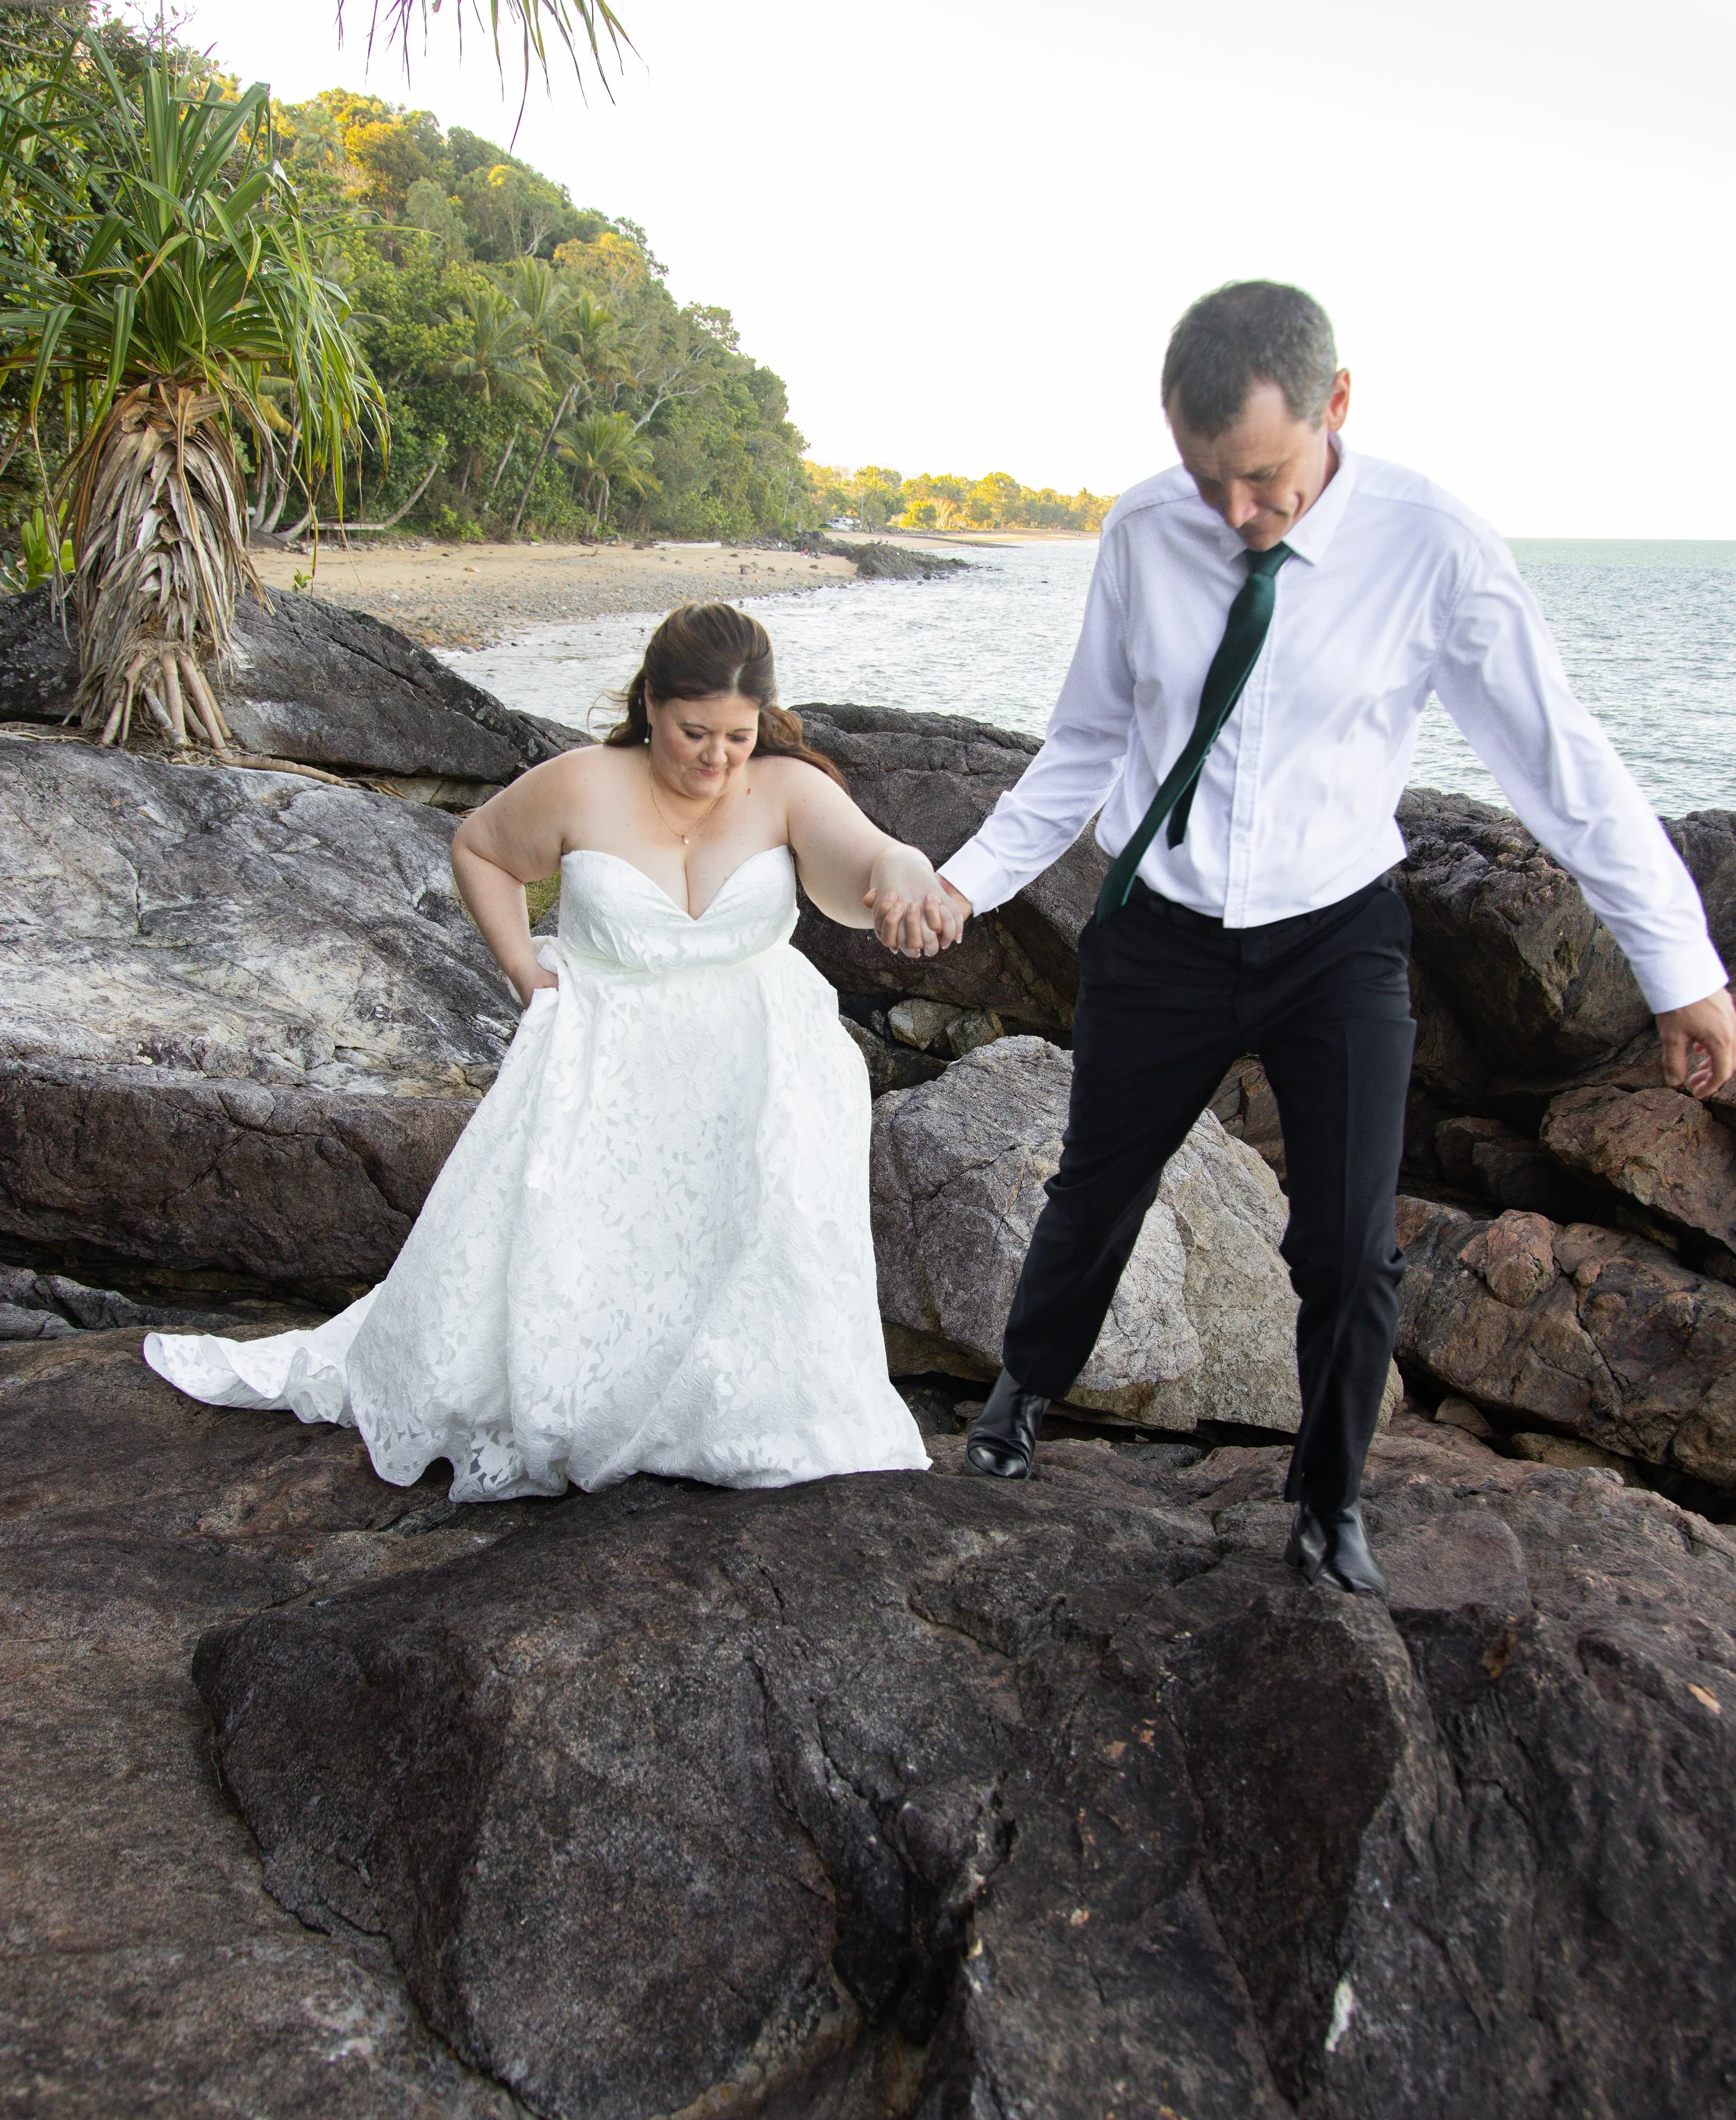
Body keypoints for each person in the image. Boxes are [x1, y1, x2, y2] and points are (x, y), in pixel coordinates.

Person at [940, 281, 1736, 1594]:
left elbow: (1562, 762)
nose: (1236, 515)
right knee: (1096, 1191)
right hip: (1166, 926)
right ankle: (1023, 1392)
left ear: (1338, 408)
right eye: (1209, 482)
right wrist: (970, 881)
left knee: (1352, 1238)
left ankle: (1332, 1498)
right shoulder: (1143, 530)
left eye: (1262, 479)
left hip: (1334, 937)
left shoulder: (1437, 546)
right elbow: (1086, 740)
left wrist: (1682, 971)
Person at [145, 602, 966, 1501]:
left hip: (755, 1066)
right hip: (605, 1058)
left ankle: (724, 1406)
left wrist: (906, 873)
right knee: (589, 1251)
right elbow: (483, 849)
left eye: (738, 735)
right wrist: (521, 969)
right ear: (651, 701)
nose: (716, 759)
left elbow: (864, 867)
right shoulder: (582, 783)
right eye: (695, 732)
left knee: (745, 1250)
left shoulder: (786, 790)